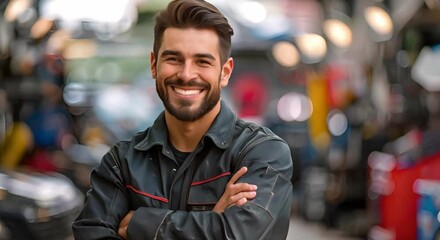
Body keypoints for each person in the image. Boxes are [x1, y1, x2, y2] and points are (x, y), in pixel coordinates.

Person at [72, 0, 293, 239]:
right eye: (174, 59)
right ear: (154, 65)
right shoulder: (121, 163)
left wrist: (139, 223)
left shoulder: (262, 154)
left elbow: (239, 235)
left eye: (202, 61)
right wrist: (214, 222)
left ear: (225, 72)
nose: (187, 75)